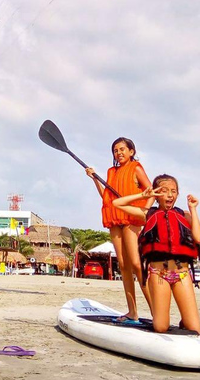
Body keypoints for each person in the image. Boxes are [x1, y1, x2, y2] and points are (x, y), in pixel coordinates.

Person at [113, 174, 200, 334]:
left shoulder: (184, 215)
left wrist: (193, 210)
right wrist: (143, 195)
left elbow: (199, 237)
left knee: (195, 328)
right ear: (156, 194)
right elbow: (117, 203)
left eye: (174, 191)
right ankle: (164, 317)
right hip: (158, 275)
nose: (170, 195)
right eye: (164, 191)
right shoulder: (147, 214)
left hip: (182, 275)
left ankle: (186, 319)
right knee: (161, 327)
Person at [85, 137, 152, 321]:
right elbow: (106, 197)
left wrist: (144, 211)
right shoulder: (111, 172)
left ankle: (156, 311)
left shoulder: (136, 168)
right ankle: (133, 312)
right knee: (123, 265)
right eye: (115, 150)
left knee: (137, 264)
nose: (119, 153)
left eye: (122, 149)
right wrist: (94, 179)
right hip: (114, 220)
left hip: (131, 218)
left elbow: (151, 191)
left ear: (131, 151)